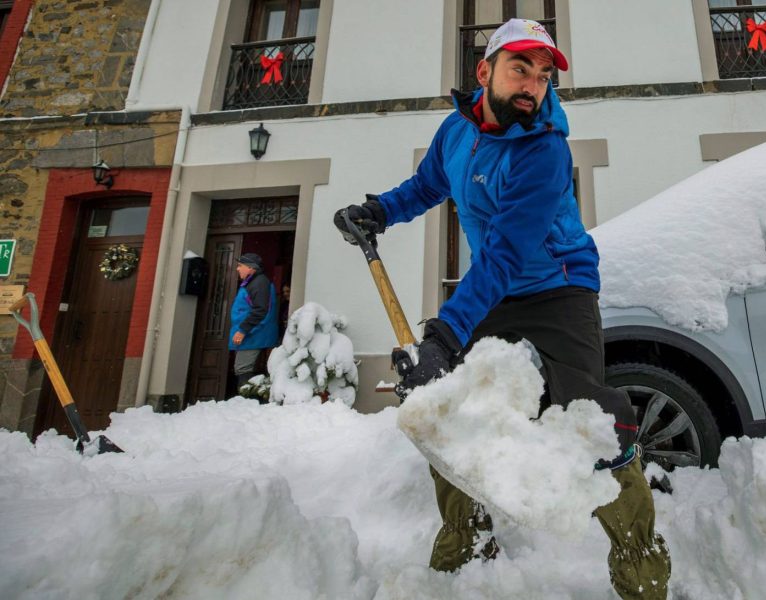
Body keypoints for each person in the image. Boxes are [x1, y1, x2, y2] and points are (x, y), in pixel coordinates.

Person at [334, 18, 670, 599]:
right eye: (521, 69)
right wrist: (380, 213)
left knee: (590, 420)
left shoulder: (544, 150)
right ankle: (466, 540)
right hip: (495, 289)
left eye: (543, 76)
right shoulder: (456, 132)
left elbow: (507, 253)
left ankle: (640, 564)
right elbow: (427, 185)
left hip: (558, 290)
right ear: (484, 71)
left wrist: (443, 332)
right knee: (447, 405)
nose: (533, 86)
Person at [228, 252, 279, 395]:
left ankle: (247, 403)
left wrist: (243, 330)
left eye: (240, 266)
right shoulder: (254, 282)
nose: (237, 269)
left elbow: (260, 310)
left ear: (251, 268)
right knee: (245, 368)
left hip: (254, 335)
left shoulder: (258, 283)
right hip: (253, 335)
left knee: (243, 369)